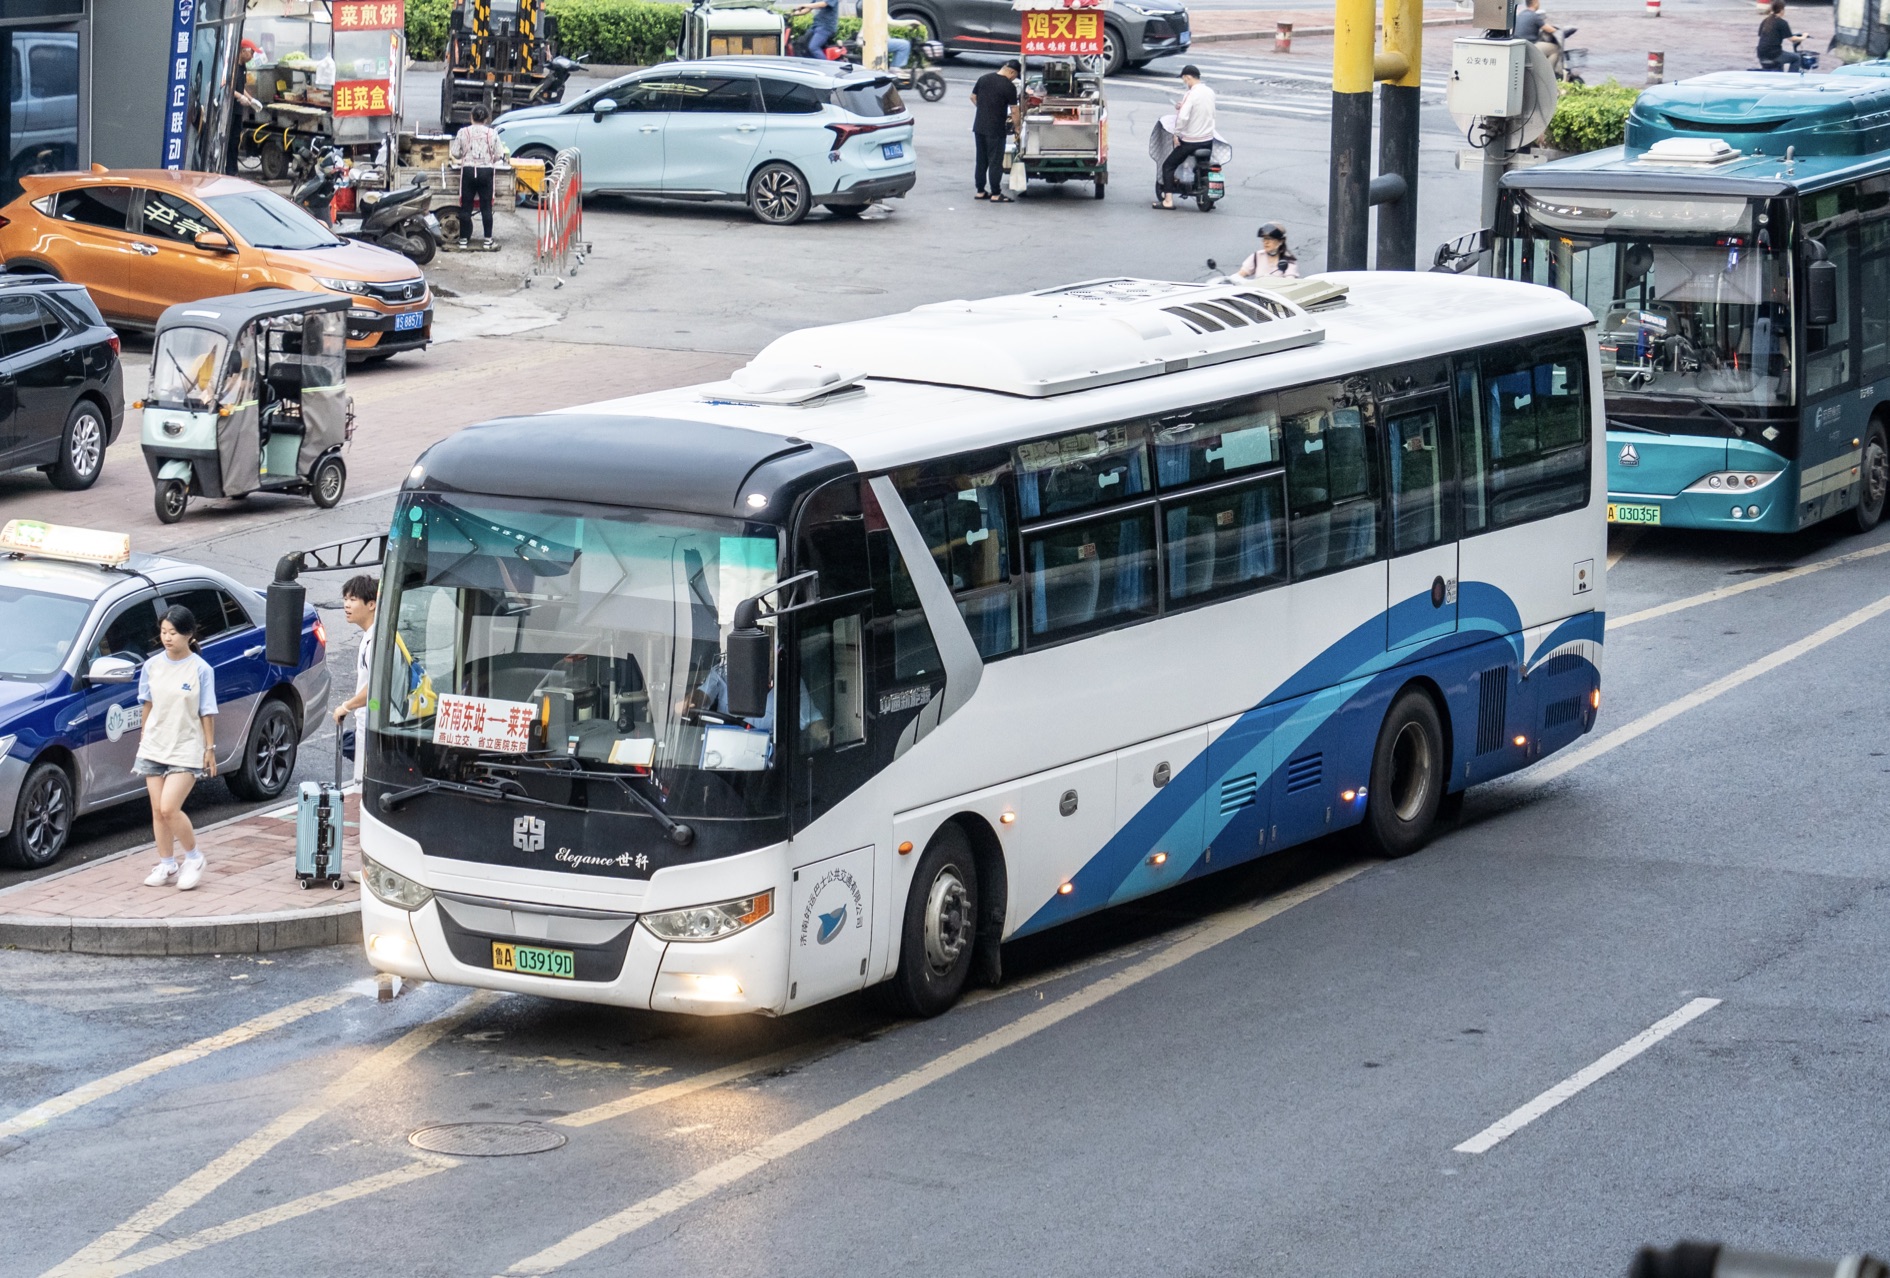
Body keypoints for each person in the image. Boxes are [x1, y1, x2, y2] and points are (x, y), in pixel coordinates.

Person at [138, 607, 218, 892]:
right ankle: (167, 862)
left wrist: (209, 748)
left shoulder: (200, 669)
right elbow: (146, 703)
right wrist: (143, 736)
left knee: (169, 807)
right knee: (157, 811)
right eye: (163, 632)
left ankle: (194, 858)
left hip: (186, 746)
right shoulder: (152, 666)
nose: (167, 638)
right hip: (154, 746)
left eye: (173, 633)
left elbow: (207, 711)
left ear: (189, 634)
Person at [331, 575, 377, 784]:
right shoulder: (370, 636)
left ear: (371, 604)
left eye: (352, 599)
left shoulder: (375, 639)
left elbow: (377, 685)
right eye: (345, 599)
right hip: (368, 724)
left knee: (365, 786)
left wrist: (346, 707)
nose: (346, 605)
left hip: (372, 726)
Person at [1156, 65, 1216, 210]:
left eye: (1184, 80)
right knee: (1205, 166)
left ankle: (1168, 201)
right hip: (1208, 140)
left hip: (1191, 141)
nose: (1185, 83)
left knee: (1168, 165)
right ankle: (1208, 196)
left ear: (1188, 77)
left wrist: (1177, 133)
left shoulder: (1191, 93)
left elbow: (1183, 117)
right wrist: (1183, 105)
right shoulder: (1210, 91)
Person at [449, 104, 508, 250]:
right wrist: (490, 159)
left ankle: (463, 241)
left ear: (471, 117)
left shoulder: (463, 132)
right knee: (486, 207)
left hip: (468, 171)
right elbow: (499, 155)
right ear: (487, 119)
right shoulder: (492, 133)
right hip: (486, 172)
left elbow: (455, 153)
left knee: (466, 206)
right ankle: (488, 241)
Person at [971, 60, 1021, 203]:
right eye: (1015, 76)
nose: (1014, 79)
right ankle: (995, 193)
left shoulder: (983, 79)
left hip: (979, 126)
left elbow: (973, 97)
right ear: (1011, 72)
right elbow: (1015, 111)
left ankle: (980, 191)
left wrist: (983, 109)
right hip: (995, 128)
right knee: (995, 161)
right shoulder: (1009, 86)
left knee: (981, 160)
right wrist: (1017, 128)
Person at [225, 39, 263, 172]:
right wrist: (239, 97)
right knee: (229, 140)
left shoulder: (243, 68)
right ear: (242, 51)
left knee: (236, 139)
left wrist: (251, 99)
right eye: (251, 53)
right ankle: (228, 169)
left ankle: (233, 169)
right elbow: (227, 86)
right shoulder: (233, 66)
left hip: (239, 110)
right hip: (230, 109)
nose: (252, 56)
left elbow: (241, 87)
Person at [1514, 0, 1564, 77]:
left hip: (1519, 46)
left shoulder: (1521, 14)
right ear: (1535, 2)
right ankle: (1548, 75)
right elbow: (1551, 30)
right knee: (1555, 49)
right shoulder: (1534, 16)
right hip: (1530, 47)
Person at [1758, 0, 1806, 71]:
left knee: (1783, 57)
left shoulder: (1766, 20)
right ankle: (1792, 79)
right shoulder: (1782, 22)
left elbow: (1761, 35)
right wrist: (1803, 37)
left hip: (1761, 53)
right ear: (1781, 10)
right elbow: (1792, 39)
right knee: (1797, 58)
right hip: (1773, 54)